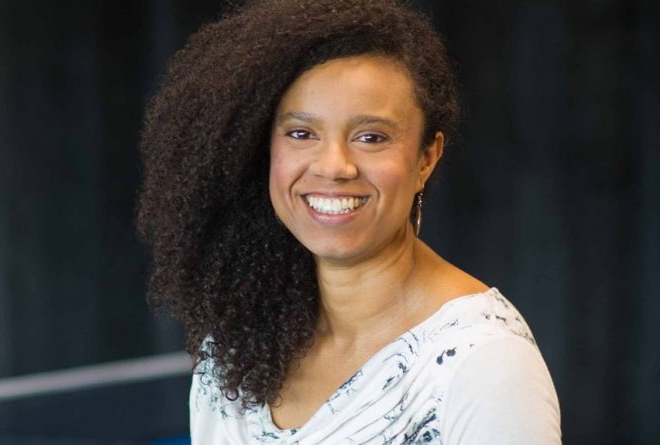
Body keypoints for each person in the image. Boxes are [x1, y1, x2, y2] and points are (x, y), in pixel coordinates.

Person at [137, 0, 561, 443]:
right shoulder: (235, 344)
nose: (334, 166)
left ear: (426, 158)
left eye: (371, 137)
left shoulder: (484, 362)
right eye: (301, 133)